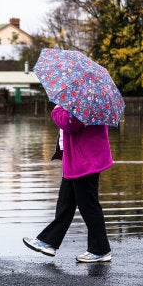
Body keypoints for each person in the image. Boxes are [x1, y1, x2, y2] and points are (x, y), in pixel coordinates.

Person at [23, 105, 113, 263]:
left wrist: (56, 110)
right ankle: (49, 241)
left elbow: (70, 123)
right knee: (65, 203)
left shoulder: (85, 100)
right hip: (77, 159)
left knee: (88, 205)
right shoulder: (82, 98)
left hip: (85, 160)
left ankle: (100, 249)